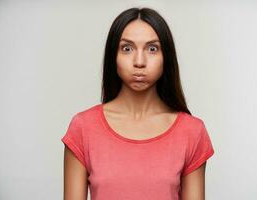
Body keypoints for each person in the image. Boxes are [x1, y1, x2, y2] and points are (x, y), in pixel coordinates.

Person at [61, 7, 214, 200]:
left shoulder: (192, 132)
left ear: (165, 57)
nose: (139, 61)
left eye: (152, 49)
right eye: (127, 48)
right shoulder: (83, 128)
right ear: (113, 56)